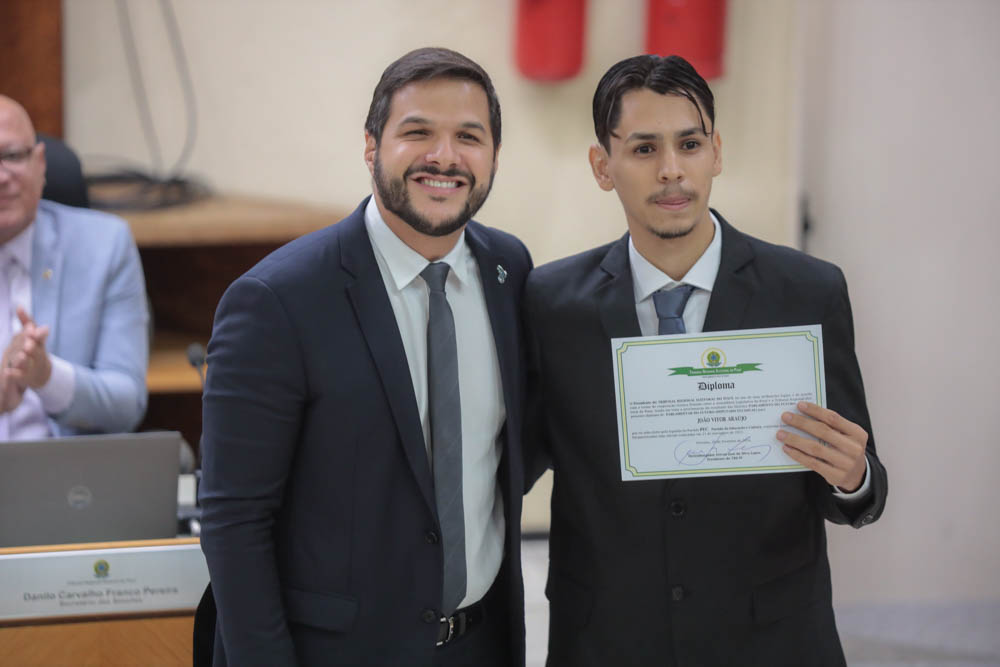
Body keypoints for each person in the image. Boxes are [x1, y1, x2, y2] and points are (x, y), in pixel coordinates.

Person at [524, 55, 888, 666]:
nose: (672, 171)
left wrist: (854, 477)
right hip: (608, 638)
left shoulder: (807, 291)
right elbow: (515, 460)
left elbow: (852, 483)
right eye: (643, 149)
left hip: (770, 639)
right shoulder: (550, 303)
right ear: (602, 166)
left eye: (689, 144)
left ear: (716, 152)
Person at [199, 47, 532, 666]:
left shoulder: (510, 270)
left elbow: (518, 448)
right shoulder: (277, 300)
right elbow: (233, 520)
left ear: (493, 155)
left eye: (469, 136)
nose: (444, 157)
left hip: (482, 644)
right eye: (418, 132)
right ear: (371, 144)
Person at [0, 95, 148, 438]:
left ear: (40, 163)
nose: (2, 177)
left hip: (68, 484)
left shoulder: (104, 245)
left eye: (12, 156)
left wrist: (48, 377)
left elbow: (127, 404)